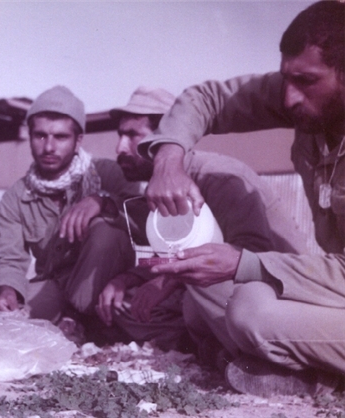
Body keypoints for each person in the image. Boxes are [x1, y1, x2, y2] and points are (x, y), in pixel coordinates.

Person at [142, 0, 345, 396]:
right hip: (336, 285)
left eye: (306, 81)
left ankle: (312, 376)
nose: (289, 98)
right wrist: (168, 160)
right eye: (287, 79)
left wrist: (244, 263)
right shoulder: (311, 99)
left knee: (251, 314)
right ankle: (293, 365)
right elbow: (206, 99)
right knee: (202, 288)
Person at [95, 86, 308, 354]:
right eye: (120, 135)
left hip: (280, 289)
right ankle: (204, 347)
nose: (120, 148)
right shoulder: (161, 186)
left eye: (132, 135)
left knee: (193, 303)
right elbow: (173, 255)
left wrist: (168, 281)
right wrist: (128, 278)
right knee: (126, 303)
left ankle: (243, 355)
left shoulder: (219, 176)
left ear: (163, 139)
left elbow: (254, 252)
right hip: (214, 288)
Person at [0, 85, 140, 337]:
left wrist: (102, 201)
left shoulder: (109, 174)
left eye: (60, 137)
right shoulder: (16, 197)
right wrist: (7, 290)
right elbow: (10, 259)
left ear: (78, 141)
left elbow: (141, 219)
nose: (49, 147)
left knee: (105, 230)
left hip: (108, 286)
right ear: (29, 137)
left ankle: (80, 319)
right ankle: (75, 323)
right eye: (40, 136)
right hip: (58, 287)